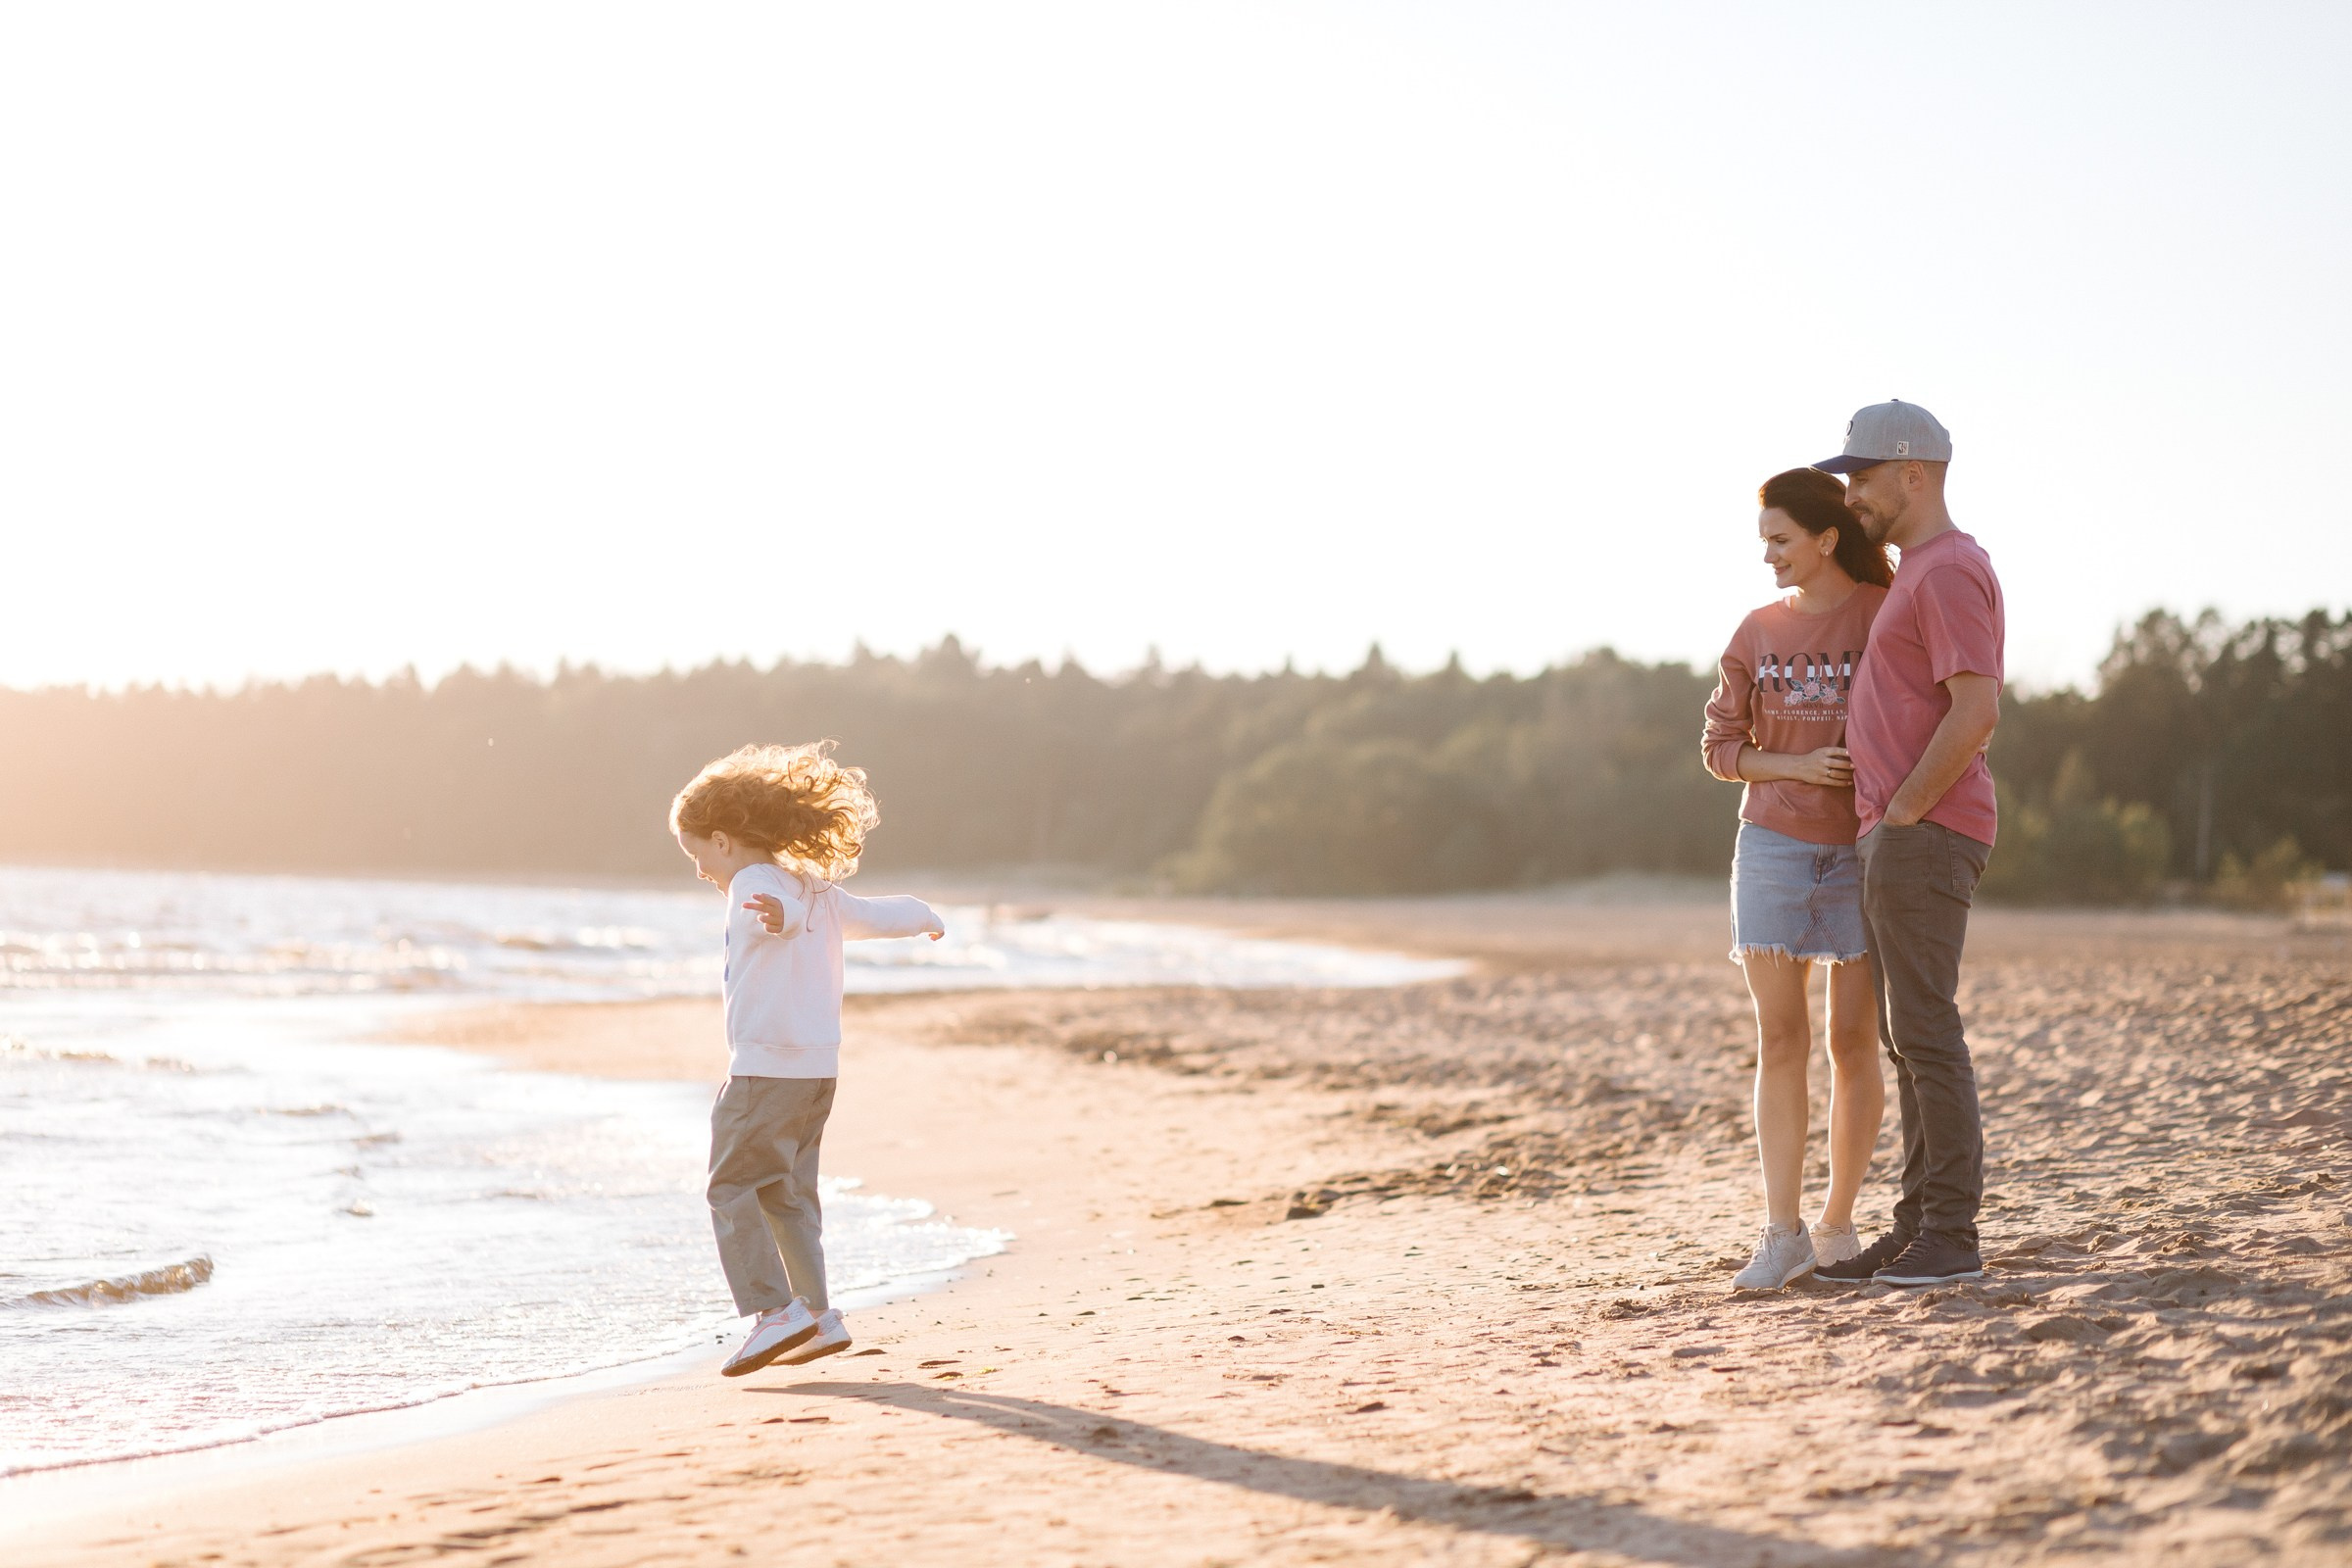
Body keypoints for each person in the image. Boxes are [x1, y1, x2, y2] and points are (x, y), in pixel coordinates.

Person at [670, 741, 946, 1376]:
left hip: (765, 1072)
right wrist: (923, 915)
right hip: (817, 1074)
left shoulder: (754, 884)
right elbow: (876, 915)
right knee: (788, 1194)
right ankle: (818, 1315)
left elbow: (778, 918)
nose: (700, 870)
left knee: (731, 1186)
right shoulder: (817, 889)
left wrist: (783, 918)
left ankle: (774, 1312)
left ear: (722, 840)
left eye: (696, 854)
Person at [1808, 401, 2004, 1289]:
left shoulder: (1949, 569)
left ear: (1913, 474)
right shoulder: (1916, 571)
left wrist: (1903, 814)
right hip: (1901, 833)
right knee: (1908, 1039)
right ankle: (1917, 1225)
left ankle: (1951, 1236)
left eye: (1863, 476)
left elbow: (1977, 709)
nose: (1851, 493)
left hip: (1923, 832)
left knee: (1926, 1034)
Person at [1703, 467, 1892, 1290]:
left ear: (1826, 538)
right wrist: (1799, 766)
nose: (1769, 556)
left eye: (1781, 540)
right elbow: (1720, 750)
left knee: (1853, 1042)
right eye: (1764, 542)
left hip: (1865, 849)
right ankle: (1782, 1234)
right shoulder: (1755, 631)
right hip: (1772, 847)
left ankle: (1838, 1227)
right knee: (1781, 1040)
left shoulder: (1885, 613)